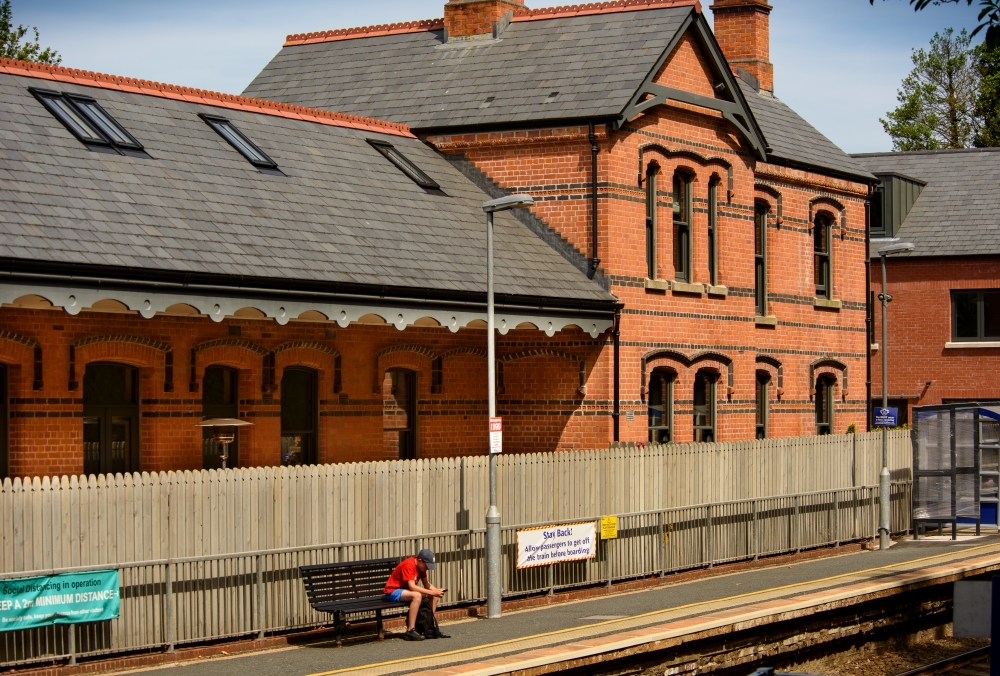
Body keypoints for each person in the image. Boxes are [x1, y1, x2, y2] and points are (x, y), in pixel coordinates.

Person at [384, 548, 449, 641]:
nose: (427, 568)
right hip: (393, 591)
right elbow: (412, 587)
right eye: (426, 565)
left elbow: (427, 584)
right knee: (417, 595)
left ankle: (428, 626)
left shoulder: (421, 567)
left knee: (434, 597)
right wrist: (432, 592)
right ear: (419, 560)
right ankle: (410, 630)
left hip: (405, 591)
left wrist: (437, 591)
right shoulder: (409, 565)